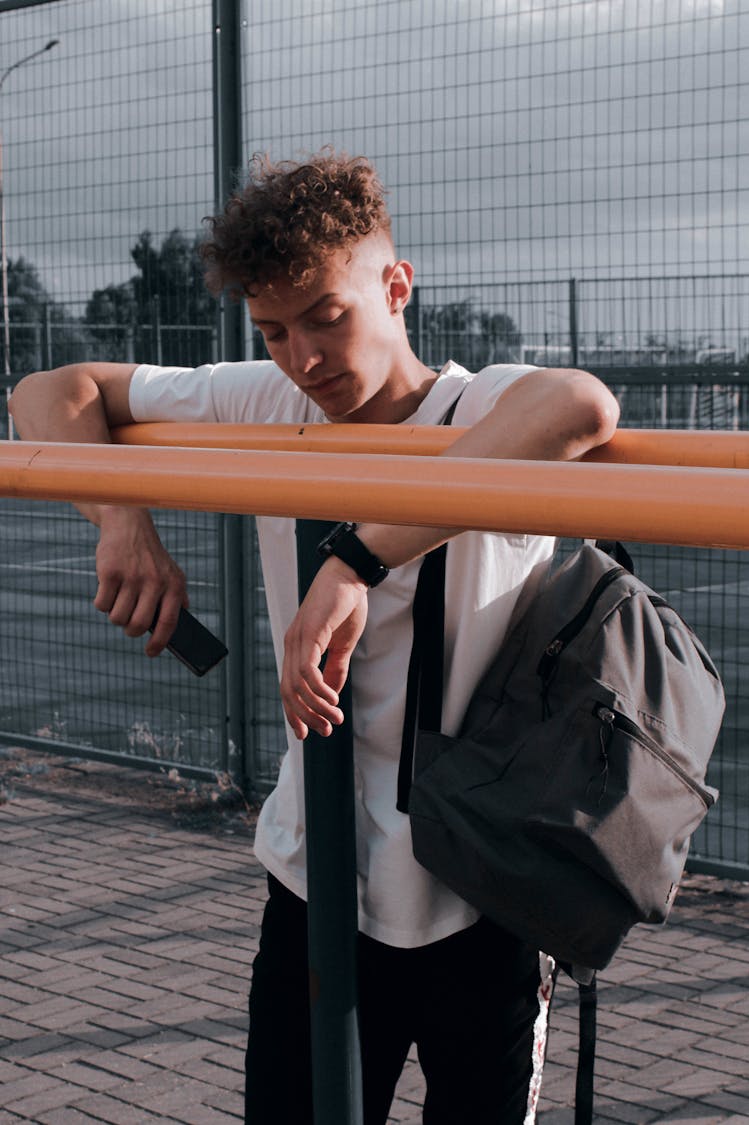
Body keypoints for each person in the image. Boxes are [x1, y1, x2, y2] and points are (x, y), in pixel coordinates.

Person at [9, 149, 620, 1124]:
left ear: (395, 286)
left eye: (326, 319)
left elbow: (581, 406)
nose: (303, 358)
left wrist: (352, 561)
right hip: (316, 880)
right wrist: (121, 520)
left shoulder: (478, 406)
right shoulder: (273, 402)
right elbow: (51, 391)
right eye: (273, 330)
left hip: (485, 892)